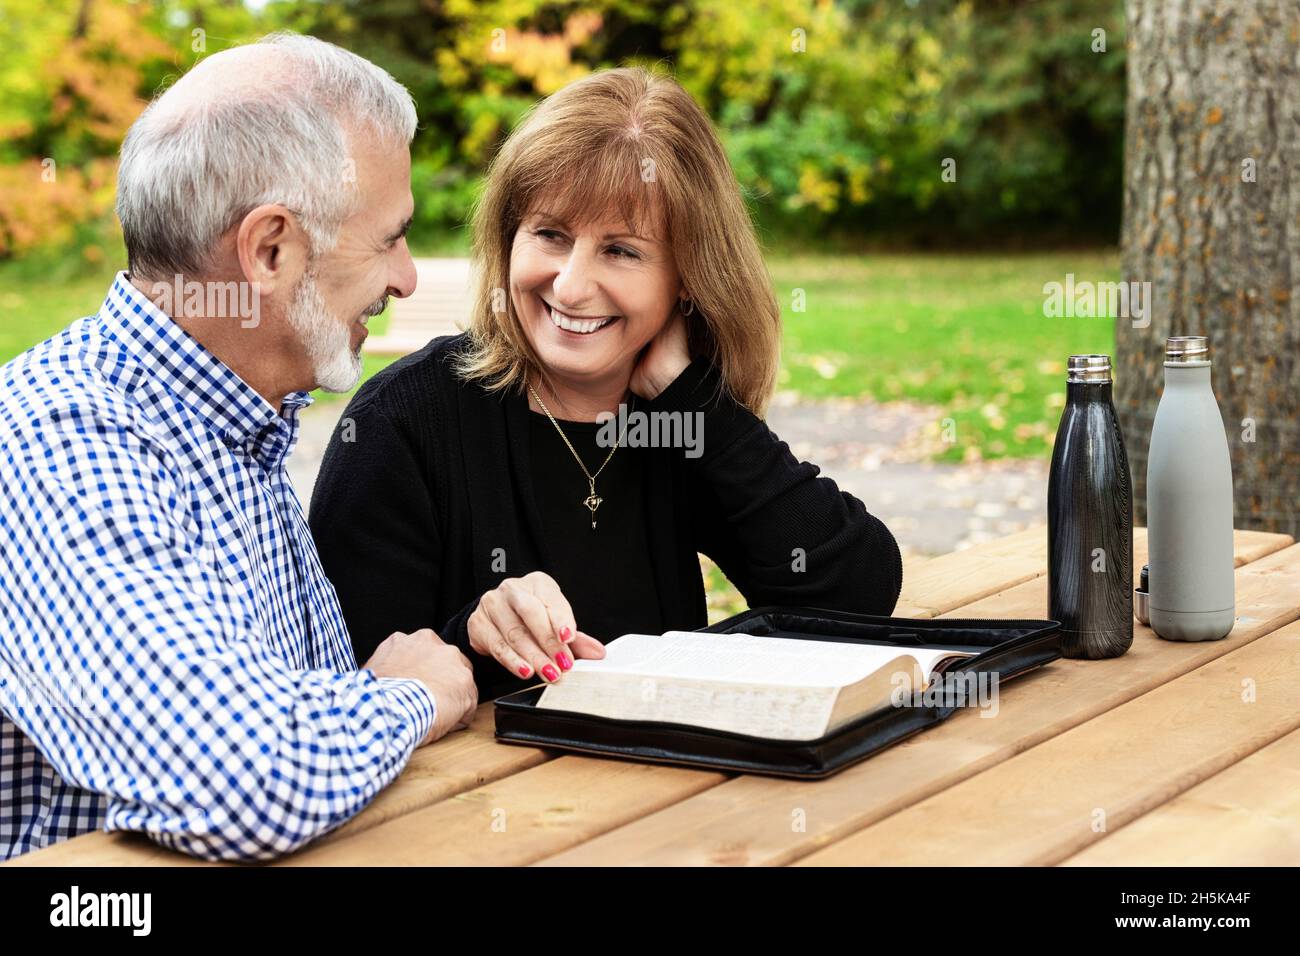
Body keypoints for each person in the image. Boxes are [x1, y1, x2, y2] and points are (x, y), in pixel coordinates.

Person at [0, 33, 477, 863]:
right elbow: (243, 776)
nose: (404, 278)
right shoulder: (59, 441)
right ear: (269, 251)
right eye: (388, 238)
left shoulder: (233, 415)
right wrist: (406, 696)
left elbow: (274, 720)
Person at [309, 66, 903, 702]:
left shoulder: (679, 421)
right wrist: (477, 638)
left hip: (676, 788)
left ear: (689, 278)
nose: (569, 285)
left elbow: (855, 594)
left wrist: (698, 405)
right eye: (550, 235)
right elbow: (345, 691)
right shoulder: (399, 423)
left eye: (621, 250)